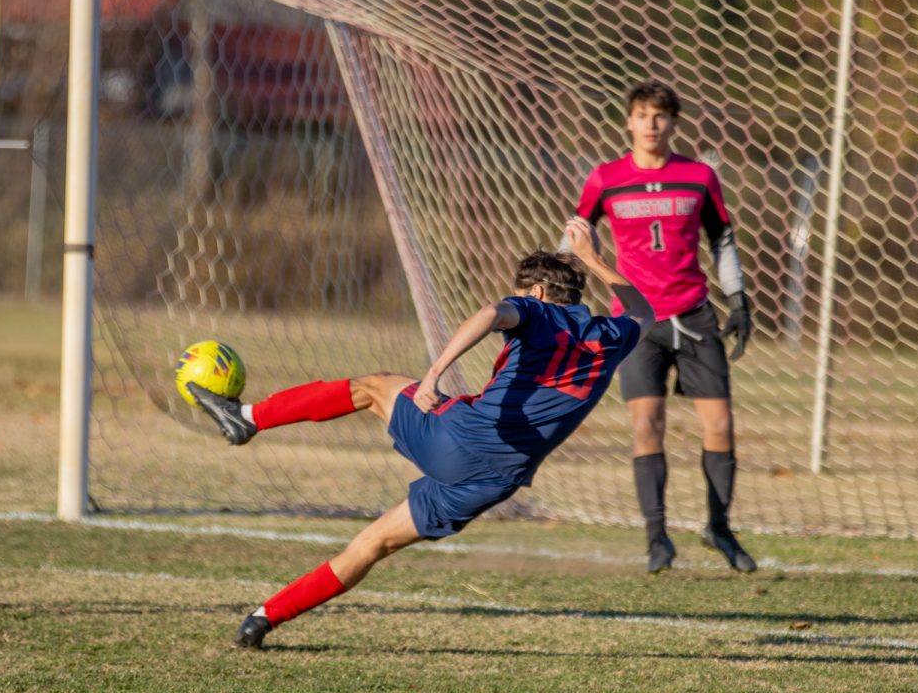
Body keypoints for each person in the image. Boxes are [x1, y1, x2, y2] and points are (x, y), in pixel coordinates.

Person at [188, 222, 654, 649]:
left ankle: (249, 417)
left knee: (373, 388)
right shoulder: (611, 335)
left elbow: (492, 312)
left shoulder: (533, 310)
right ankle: (263, 619)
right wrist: (593, 258)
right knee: (372, 545)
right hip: (493, 484)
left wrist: (434, 374)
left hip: (461, 440)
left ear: (534, 291)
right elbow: (644, 310)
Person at [571, 79, 757, 574]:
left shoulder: (698, 176)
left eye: (660, 115)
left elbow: (722, 240)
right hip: (637, 322)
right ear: (628, 121)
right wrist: (562, 295)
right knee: (646, 427)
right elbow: (576, 237)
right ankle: (657, 539)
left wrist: (737, 297)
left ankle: (719, 528)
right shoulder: (605, 178)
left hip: (694, 314)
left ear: (673, 123)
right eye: (643, 114)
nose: (651, 124)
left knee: (720, 426)